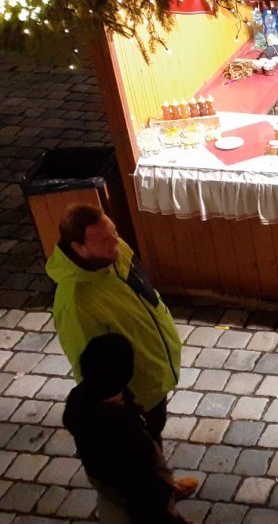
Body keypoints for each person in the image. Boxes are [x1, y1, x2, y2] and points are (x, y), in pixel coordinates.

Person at [46, 204, 195, 498]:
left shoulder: (112, 252)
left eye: (113, 231)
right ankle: (159, 495)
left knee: (154, 438)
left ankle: (161, 483)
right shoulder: (75, 302)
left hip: (153, 376)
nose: (116, 241)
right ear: (79, 247)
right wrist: (120, 412)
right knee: (141, 452)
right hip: (133, 398)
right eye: (104, 240)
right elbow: (90, 370)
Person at [64, 334, 194, 524]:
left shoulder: (80, 398)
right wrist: (163, 499)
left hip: (103, 479)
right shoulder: (124, 433)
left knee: (110, 502)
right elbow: (143, 492)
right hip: (139, 491)